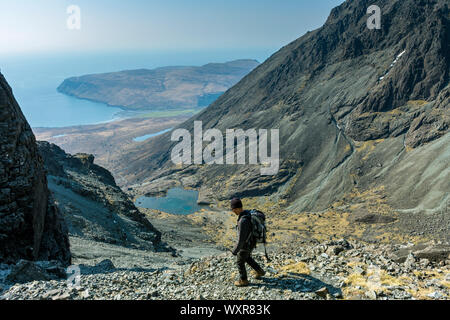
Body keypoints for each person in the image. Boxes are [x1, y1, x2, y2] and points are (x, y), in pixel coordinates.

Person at [230, 198, 265, 287]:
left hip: (246, 244)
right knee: (247, 257)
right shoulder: (247, 213)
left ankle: (243, 280)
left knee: (240, 262)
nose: (233, 211)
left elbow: (241, 240)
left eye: (233, 209)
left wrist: (234, 251)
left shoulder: (243, 221)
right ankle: (260, 271)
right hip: (252, 242)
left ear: (237, 208)